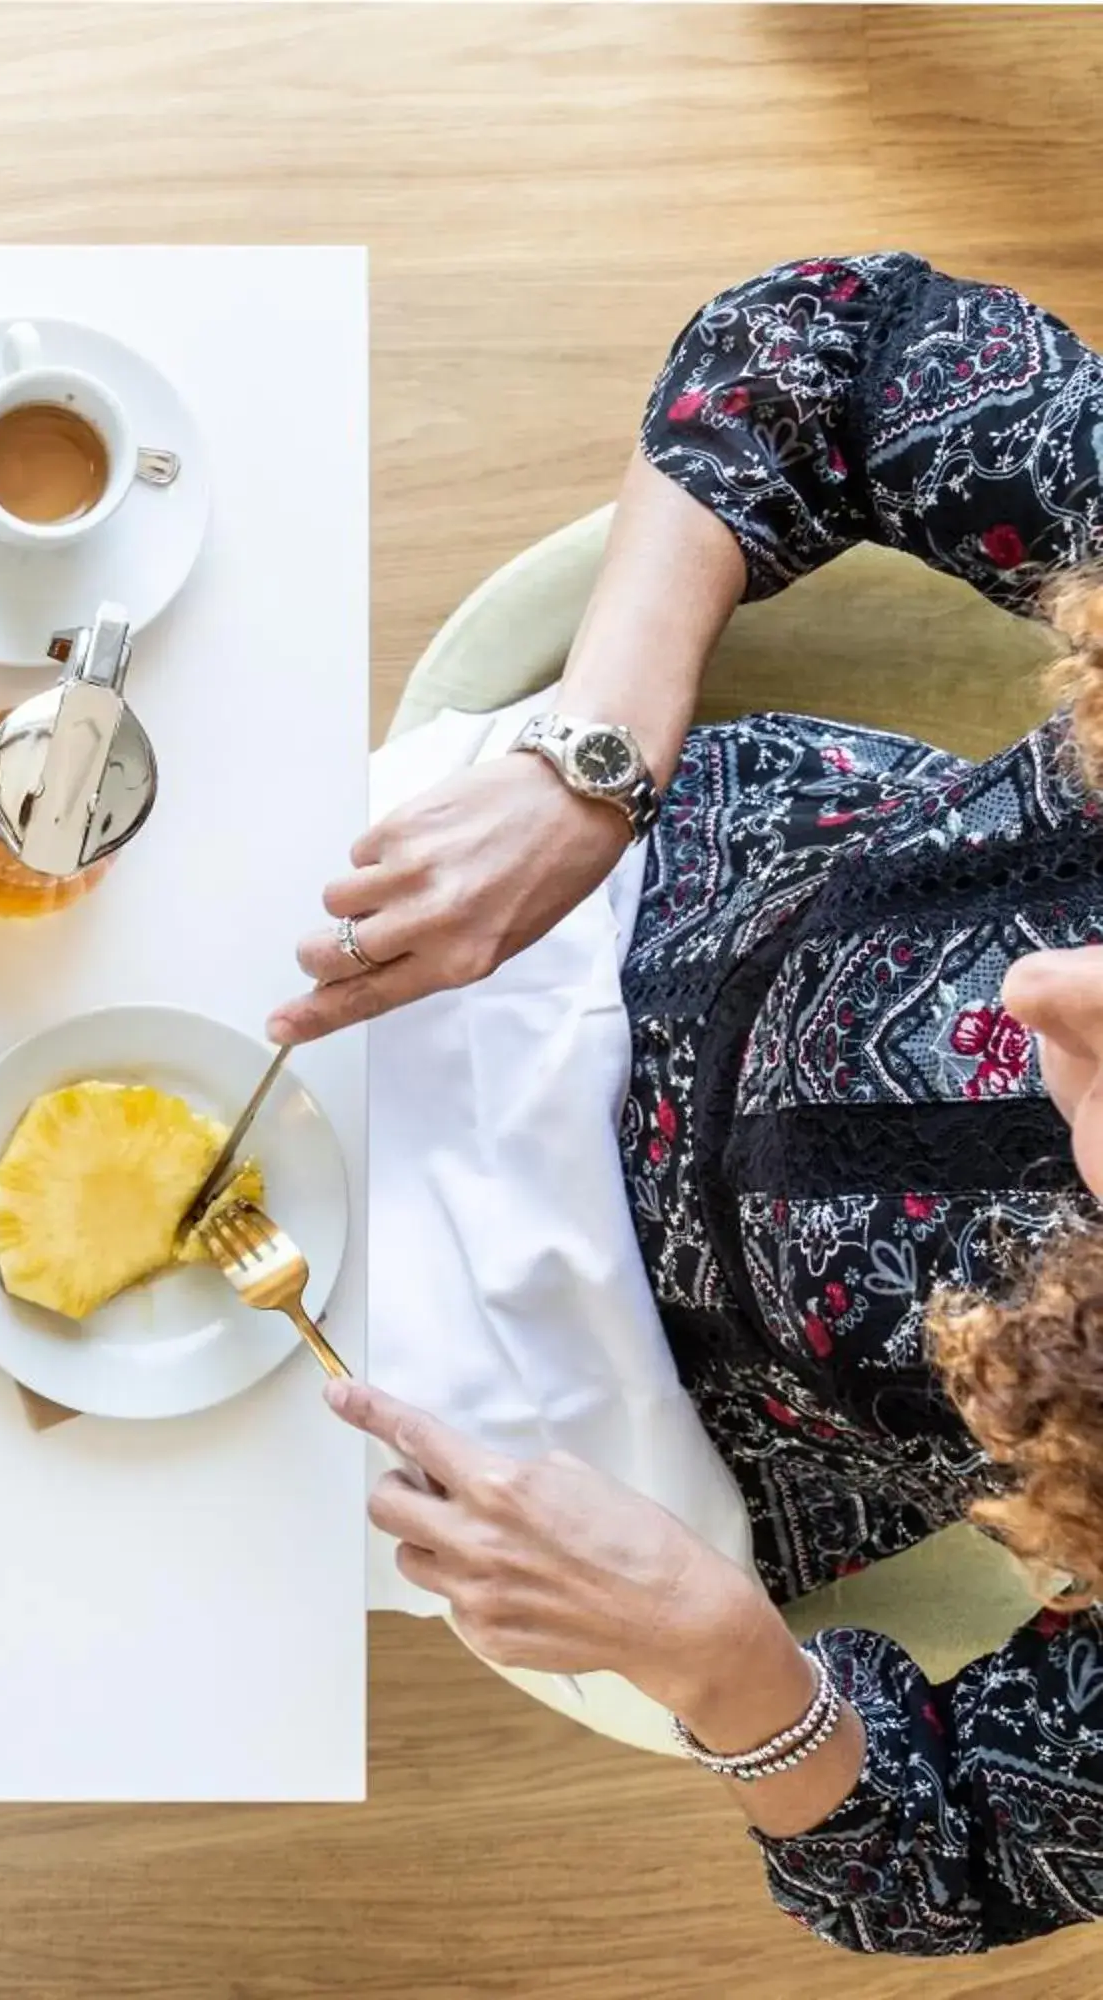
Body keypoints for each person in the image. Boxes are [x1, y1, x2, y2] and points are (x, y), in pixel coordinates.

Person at [279, 252, 1103, 1954]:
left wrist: (717, 1658)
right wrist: (599, 759)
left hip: (619, 1409)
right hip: (615, 895)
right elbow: (820, 346)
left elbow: (952, 1861)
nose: (1036, 993)